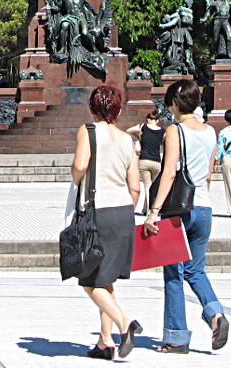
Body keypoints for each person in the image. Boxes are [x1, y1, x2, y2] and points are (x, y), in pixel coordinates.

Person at [144, 80, 229, 354]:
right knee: (196, 270)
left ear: (175, 104)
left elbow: (169, 172)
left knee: (174, 273)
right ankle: (215, 314)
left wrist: (154, 211)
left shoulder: (174, 131)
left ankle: (176, 337)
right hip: (204, 208)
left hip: (179, 211)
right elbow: (207, 173)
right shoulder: (210, 131)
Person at [71, 84, 143, 360]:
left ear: (92, 108)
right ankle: (104, 342)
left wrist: (76, 182)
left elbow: (80, 166)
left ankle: (125, 324)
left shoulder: (88, 131)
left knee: (89, 279)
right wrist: (127, 210)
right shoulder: (127, 139)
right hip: (123, 210)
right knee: (107, 278)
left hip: (97, 210)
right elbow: (135, 185)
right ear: (119, 109)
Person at [126, 111, 164, 211]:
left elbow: (129, 130)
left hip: (144, 160)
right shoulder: (162, 131)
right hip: (157, 162)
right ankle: (148, 208)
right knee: (155, 187)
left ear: (148, 120)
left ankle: (148, 210)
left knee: (147, 186)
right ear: (157, 121)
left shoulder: (143, 127)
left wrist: (139, 136)